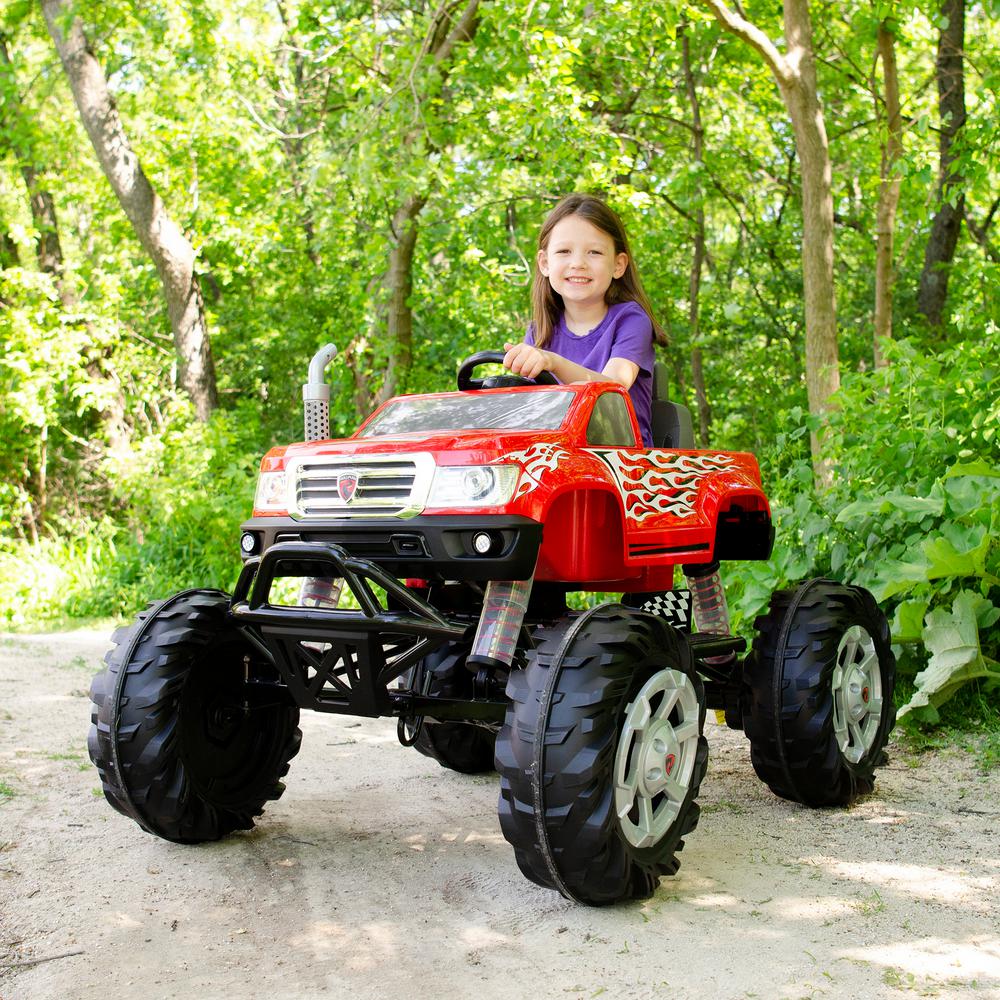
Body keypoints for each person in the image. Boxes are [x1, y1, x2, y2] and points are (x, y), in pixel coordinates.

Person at [502, 194, 663, 447]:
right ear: (545, 263)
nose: (578, 263)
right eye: (564, 251)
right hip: (558, 462)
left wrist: (552, 362)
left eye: (595, 252)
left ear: (618, 265)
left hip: (623, 465)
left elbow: (613, 389)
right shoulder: (540, 333)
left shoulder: (630, 320)